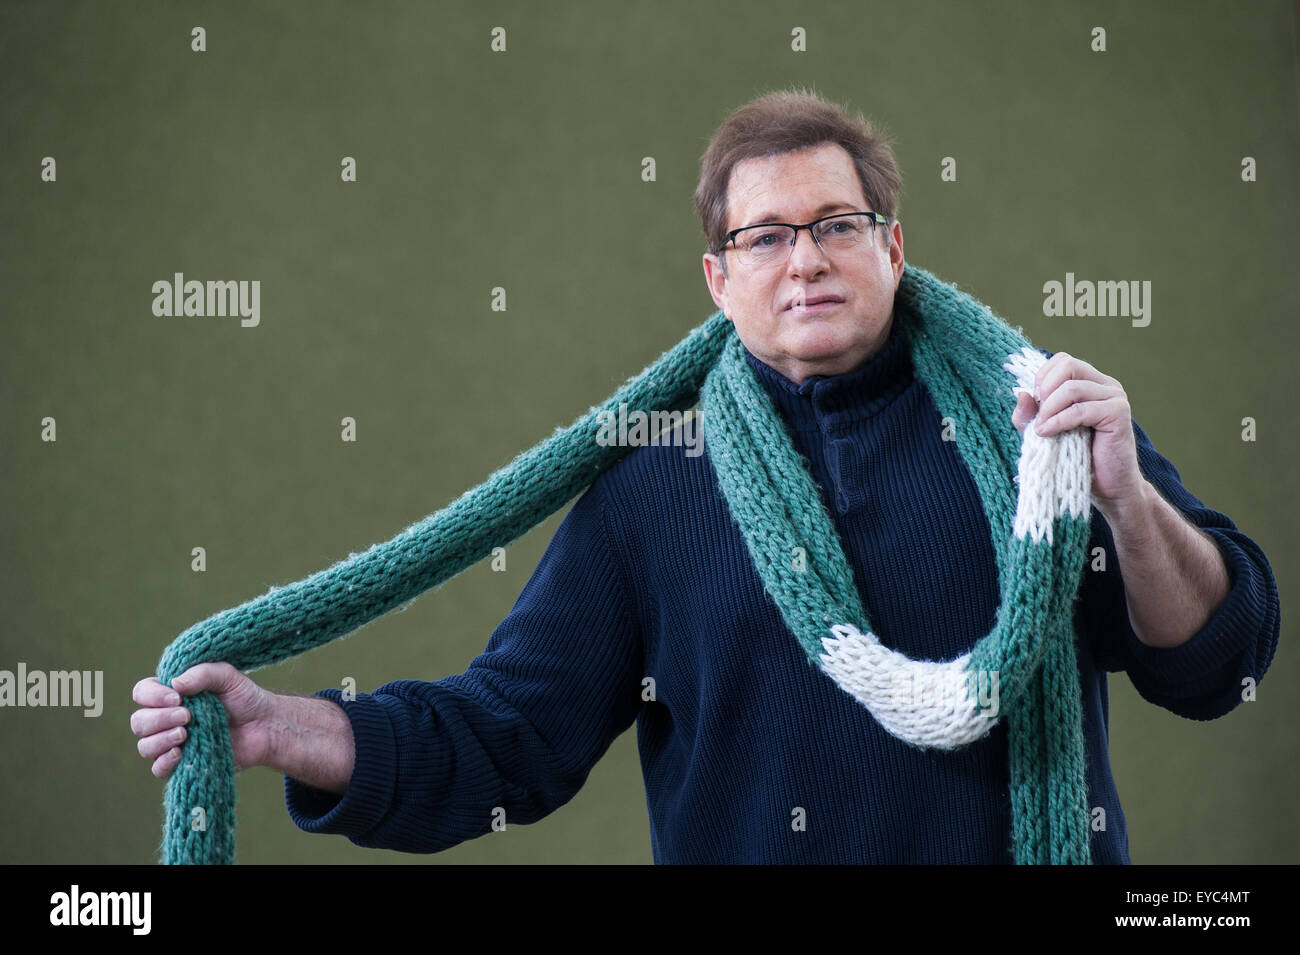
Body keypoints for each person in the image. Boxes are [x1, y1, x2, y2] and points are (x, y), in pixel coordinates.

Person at [131, 88, 1280, 863]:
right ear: (716, 280)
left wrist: (1124, 495)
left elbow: (1215, 663)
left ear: (892, 242)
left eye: (837, 222)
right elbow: (504, 738)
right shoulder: (651, 481)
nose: (806, 258)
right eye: (765, 237)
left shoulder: (1039, 422)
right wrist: (285, 729)